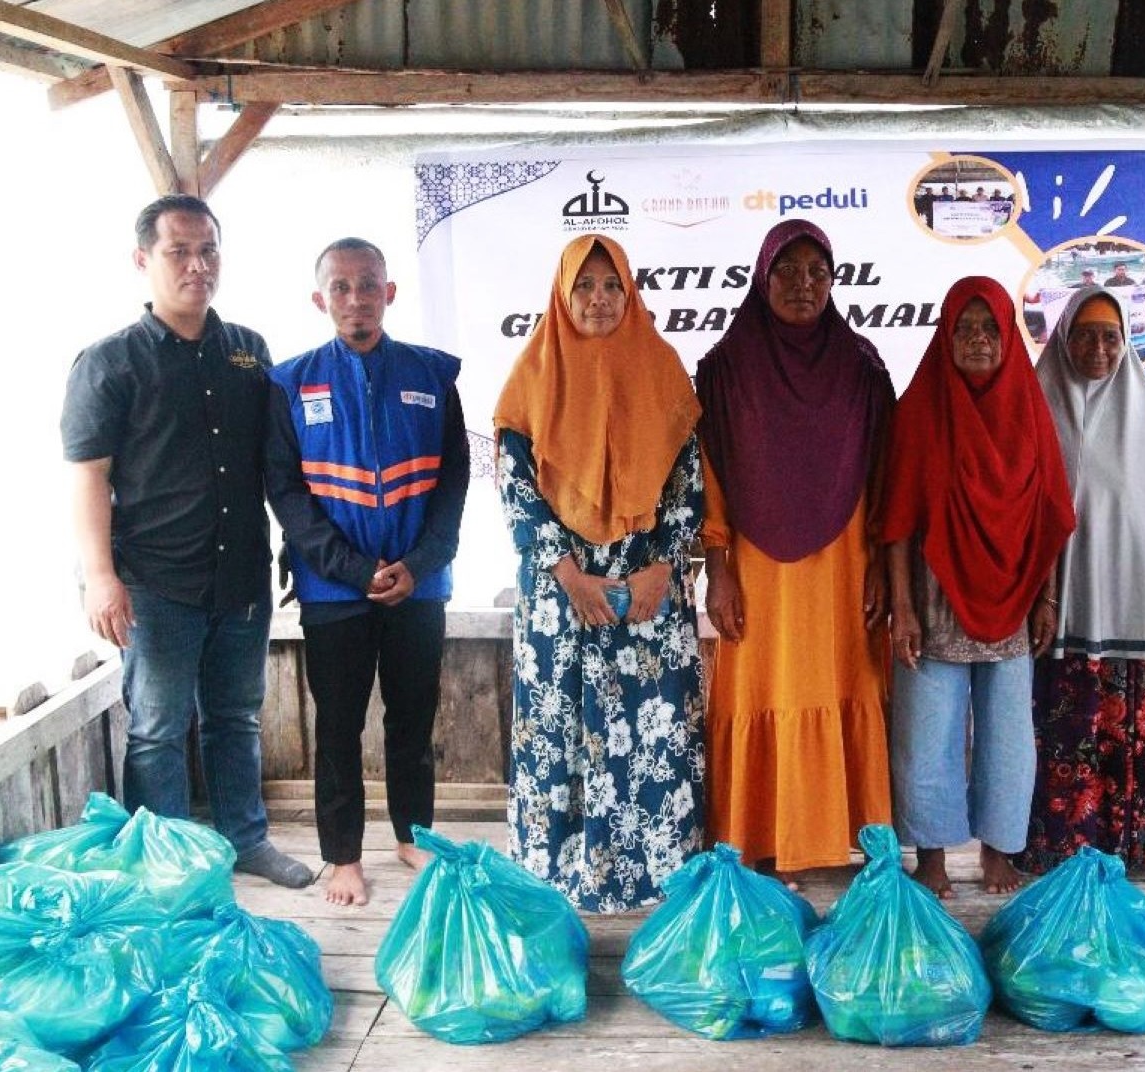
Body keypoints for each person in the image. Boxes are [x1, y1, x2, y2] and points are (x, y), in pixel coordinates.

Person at [60, 194, 312, 889]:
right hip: (153, 583)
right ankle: (164, 865)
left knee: (235, 717)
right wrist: (100, 576)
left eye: (208, 250)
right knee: (158, 728)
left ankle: (246, 842)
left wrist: (296, 540)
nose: (197, 265)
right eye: (179, 251)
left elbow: (276, 463)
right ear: (144, 261)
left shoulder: (248, 352)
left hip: (239, 581)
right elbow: (88, 476)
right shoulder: (109, 363)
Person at [494, 234, 706, 913]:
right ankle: (561, 877)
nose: (598, 299)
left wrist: (661, 570)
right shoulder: (533, 375)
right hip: (563, 596)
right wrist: (570, 574)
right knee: (561, 731)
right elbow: (515, 487)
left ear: (630, 293)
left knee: (650, 728)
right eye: (584, 286)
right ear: (562, 293)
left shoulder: (663, 368)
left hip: (646, 592)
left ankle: (653, 874)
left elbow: (689, 485)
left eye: (611, 285)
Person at [264, 238, 468, 907]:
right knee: (340, 724)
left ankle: (413, 836)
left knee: (413, 716)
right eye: (342, 287)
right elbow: (287, 494)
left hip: (418, 584)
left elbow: (454, 483)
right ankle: (343, 856)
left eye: (369, 284)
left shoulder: (434, 376)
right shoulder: (290, 383)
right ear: (321, 298)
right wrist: (353, 570)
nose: (357, 298)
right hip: (333, 591)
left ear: (390, 292)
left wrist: (420, 564)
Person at [697, 220, 896, 886]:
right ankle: (760, 837)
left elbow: (883, 477)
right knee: (765, 685)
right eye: (787, 270)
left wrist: (881, 568)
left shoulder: (862, 366)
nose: (802, 285)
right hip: (756, 569)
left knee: (844, 684)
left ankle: (846, 835)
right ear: (761, 277)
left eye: (818, 272)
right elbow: (710, 477)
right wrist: (717, 571)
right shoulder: (724, 368)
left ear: (835, 282)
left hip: (843, 566)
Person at [880, 277, 1074, 898]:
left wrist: (1044, 598)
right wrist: (903, 610)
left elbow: (1047, 514)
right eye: (963, 329)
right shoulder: (919, 409)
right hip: (934, 598)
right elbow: (897, 522)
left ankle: (998, 851)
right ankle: (931, 858)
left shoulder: (1029, 407)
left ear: (1008, 336)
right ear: (945, 335)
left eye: (989, 328)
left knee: (1008, 735)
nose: (977, 340)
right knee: (926, 733)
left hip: (1014, 597)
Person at [1020, 285, 1145, 875]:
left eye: (1110, 337)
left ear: (1127, 343)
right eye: (1085, 335)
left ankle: (1131, 843)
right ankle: (1058, 844)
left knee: (1125, 720)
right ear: (1063, 338)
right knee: (1062, 721)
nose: (1098, 348)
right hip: (1062, 601)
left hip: (1131, 600)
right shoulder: (1035, 401)